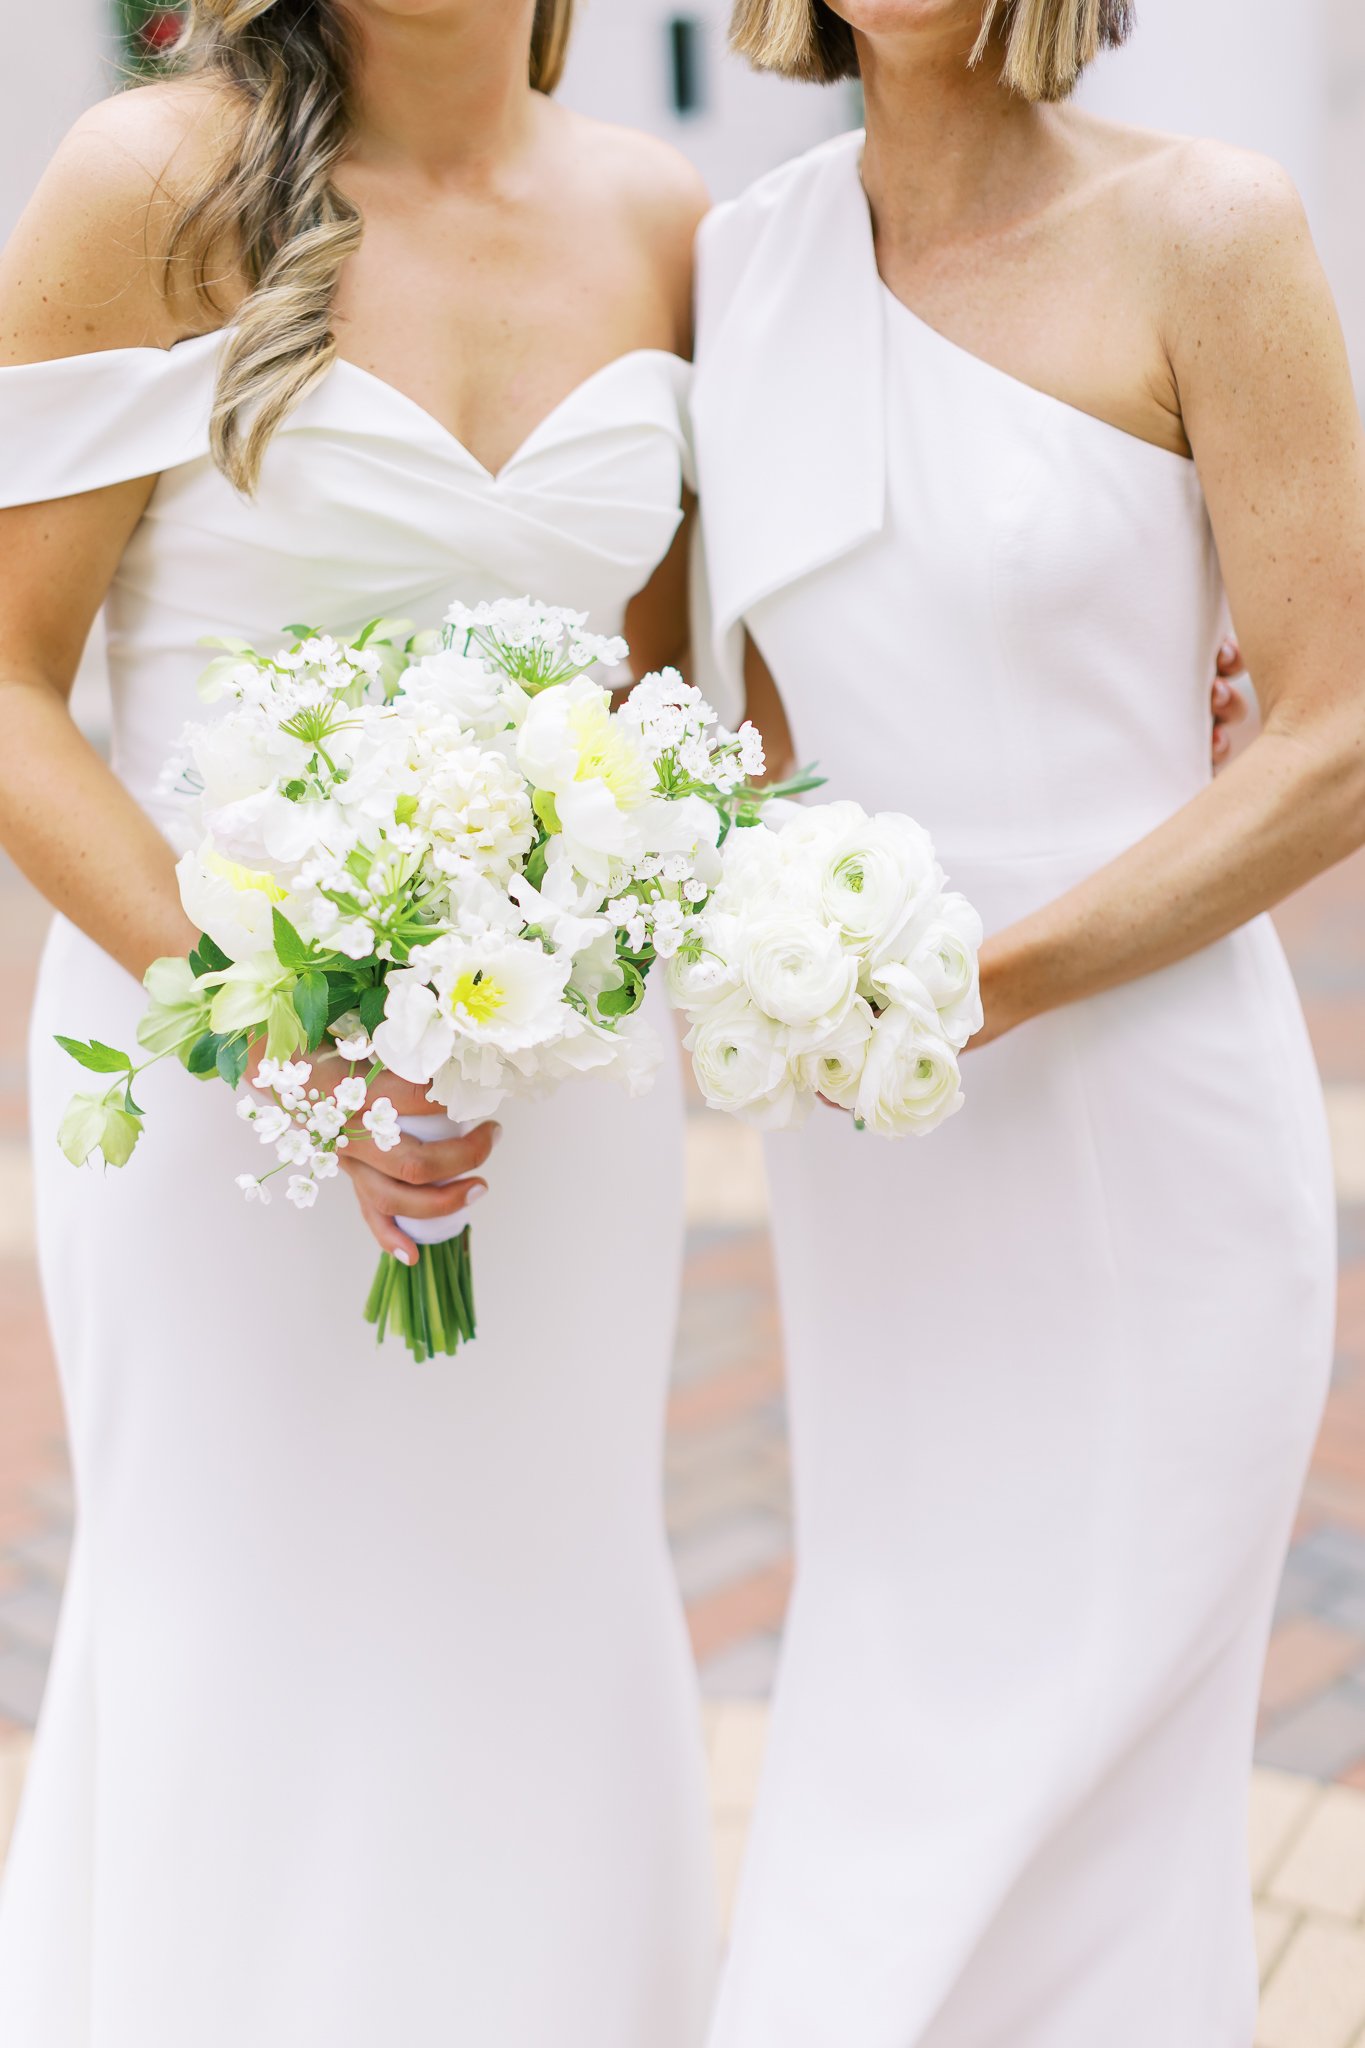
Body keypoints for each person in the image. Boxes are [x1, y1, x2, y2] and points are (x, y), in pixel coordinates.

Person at [0, 5, 718, 2043]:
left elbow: (680, 715)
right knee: (250, 1626)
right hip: (217, 1081)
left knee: (543, 1613)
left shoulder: (664, 215)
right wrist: (279, 1035)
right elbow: (11, 688)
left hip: (559, 1098)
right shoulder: (151, 182)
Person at [689, 2, 1365, 2042]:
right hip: (880, 1164)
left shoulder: (1212, 232)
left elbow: (1330, 742)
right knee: (896, 1691)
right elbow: (772, 719)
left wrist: (978, 977)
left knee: (1093, 1776)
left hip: (1143, 1132)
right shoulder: (744, 261)